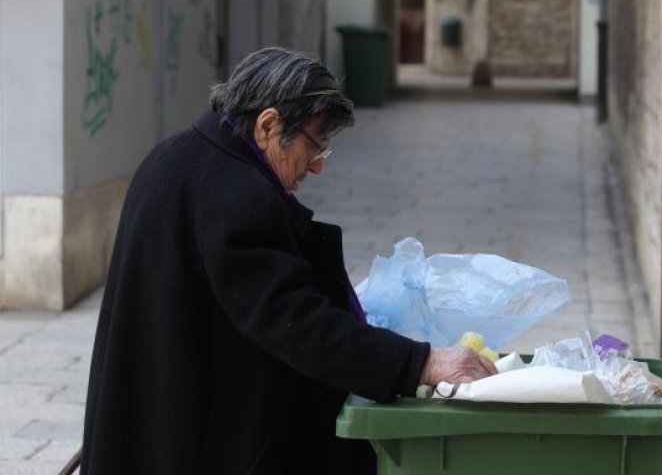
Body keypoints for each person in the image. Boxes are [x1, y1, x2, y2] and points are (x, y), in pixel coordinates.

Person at [81, 47, 497, 475]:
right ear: (268, 125)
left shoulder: (175, 157)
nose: (316, 166)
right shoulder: (238, 194)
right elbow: (294, 323)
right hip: (194, 433)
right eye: (314, 145)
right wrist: (419, 363)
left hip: (150, 412)